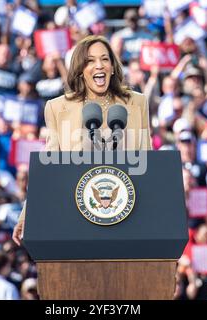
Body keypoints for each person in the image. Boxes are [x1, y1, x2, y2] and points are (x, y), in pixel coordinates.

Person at [12, 35, 152, 246]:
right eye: (90, 60)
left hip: (128, 216)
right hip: (75, 216)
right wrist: (27, 213)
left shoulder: (136, 102)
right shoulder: (58, 108)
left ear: (113, 67)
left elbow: (148, 159)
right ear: (79, 69)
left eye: (105, 59)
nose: (99, 65)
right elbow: (49, 167)